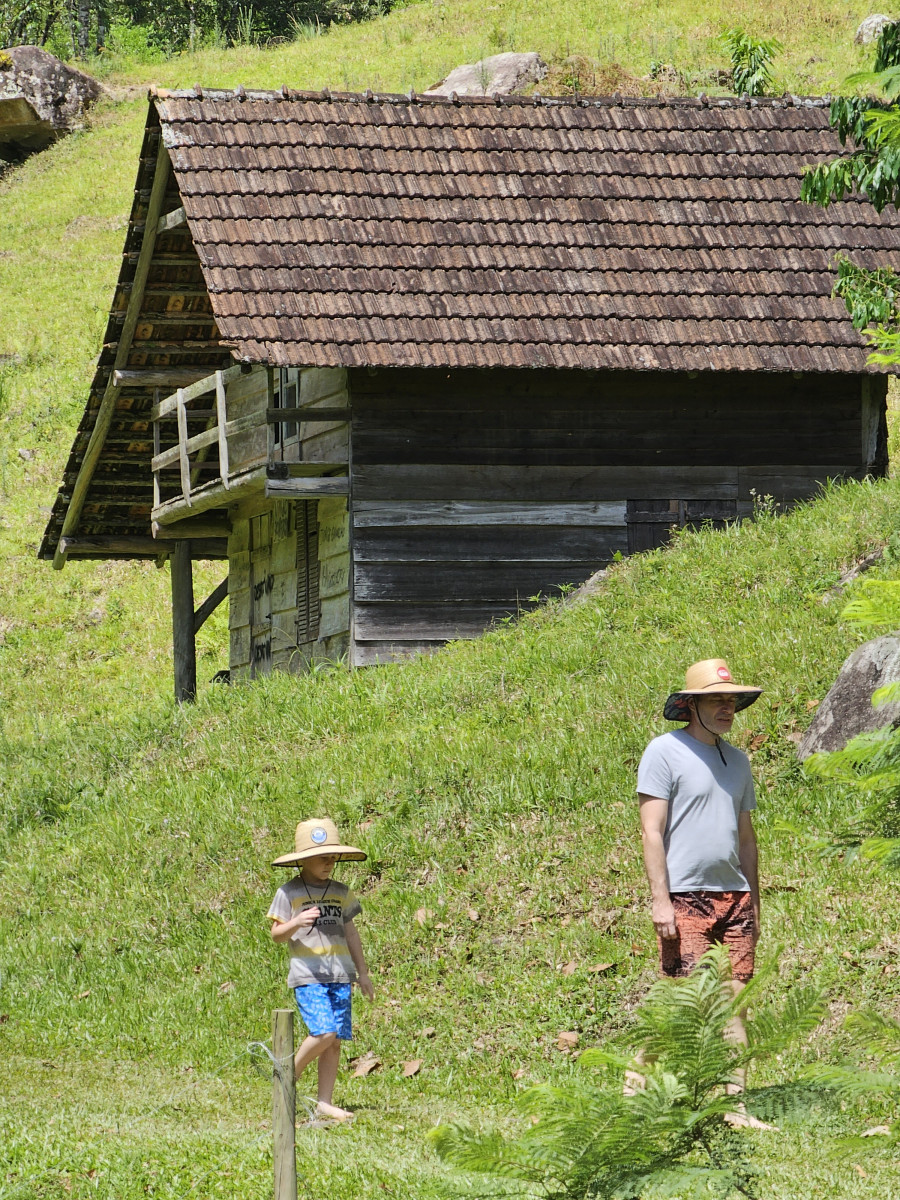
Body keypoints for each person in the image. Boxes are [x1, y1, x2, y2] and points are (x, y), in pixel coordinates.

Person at [636, 658, 767, 1127]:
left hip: (734, 896)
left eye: (732, 700)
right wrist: (660, 899)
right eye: (717, 699)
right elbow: (652, 832)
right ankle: (635, 1082)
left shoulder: (739, 761)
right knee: (681, 1001)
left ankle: (736, 1106)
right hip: (685, 896)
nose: (728, 707)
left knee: (736, 1000)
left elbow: (746, 837)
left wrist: (755, 897)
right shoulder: (664, 752)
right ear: (691, 704)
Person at [268, 817, 374, 1123]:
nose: (330, 862)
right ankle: (286, 1078)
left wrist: (362, 972)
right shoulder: (288, 893)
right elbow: (276, 935)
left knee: (335, 1039)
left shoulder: (341, 892)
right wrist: (295, 923)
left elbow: (351, 932)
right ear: (304, 859)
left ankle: (324, 1102)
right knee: (324, 1031)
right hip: (308, 976)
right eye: (322, 856)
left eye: (333, 856)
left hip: (341, 975)